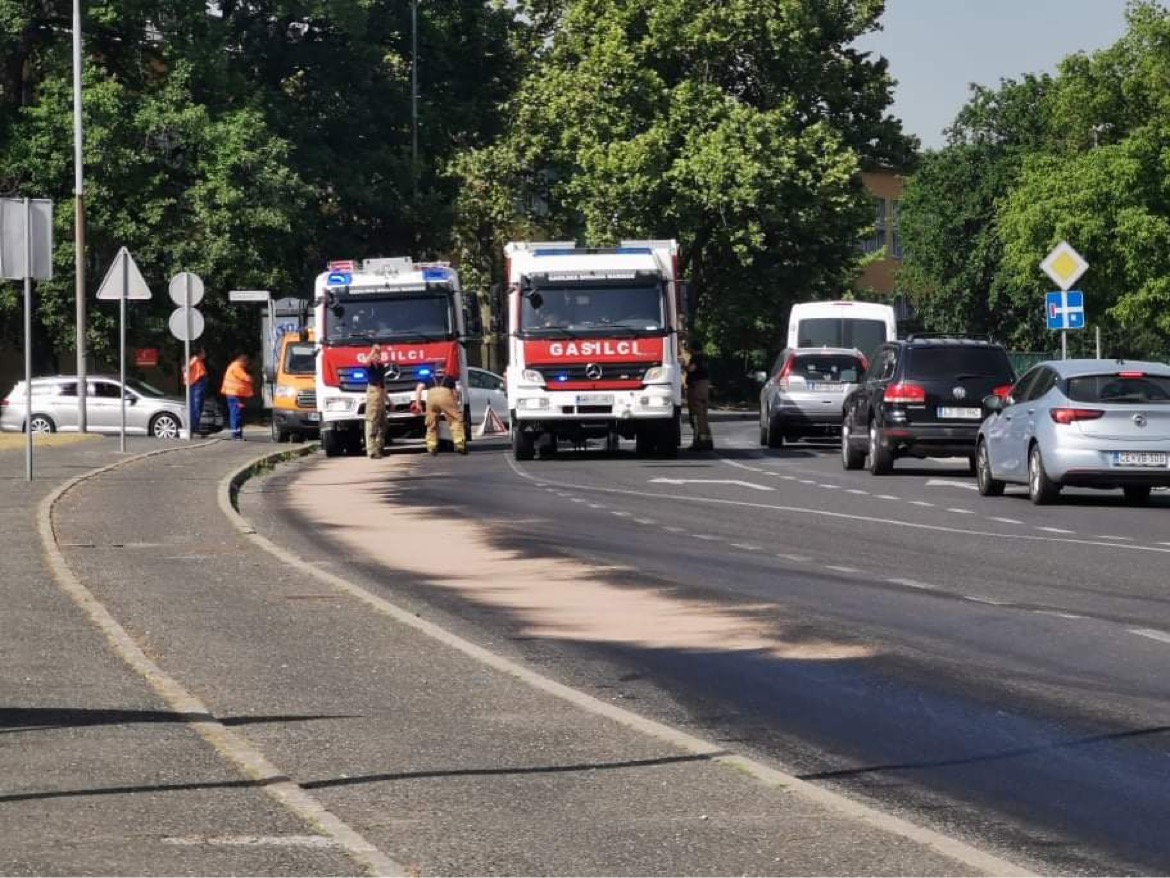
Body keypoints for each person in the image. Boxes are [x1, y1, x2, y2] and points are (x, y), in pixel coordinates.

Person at [411, 368, 466, 455]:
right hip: (446, 396)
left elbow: (419, 388)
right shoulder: (449, 378)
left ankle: (432, 446)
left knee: (431, 422)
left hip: (432, 398)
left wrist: (418, 403)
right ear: (444, 370)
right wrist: (455, 404)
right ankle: (460, 444)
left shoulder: (428, 378)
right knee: (455, 420)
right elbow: (455, 393)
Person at [684, 344, 714, 451]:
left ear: (693, 349)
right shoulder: (705, 358)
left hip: (696, 387)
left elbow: (692, 369)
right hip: (704, 387)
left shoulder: (696, 358)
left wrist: (683, 365)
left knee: (696, 416)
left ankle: (700, 442)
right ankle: (707, 441)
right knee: (703, 415)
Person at [220, 353, 255, 440]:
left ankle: (237, 435)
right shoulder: (236, 367)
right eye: (246, 364)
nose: (246, 366)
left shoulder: (234, 366)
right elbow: (246, 378)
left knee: (237, 414)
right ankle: (236, 435)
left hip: (235, 395)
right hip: (234, 395)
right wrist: (250, 377)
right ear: (243, 361)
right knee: (236, 414)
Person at [364, 344, 390, 459]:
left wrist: (390, 401)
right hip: (373, 392)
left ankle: (379, 447)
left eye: (378, 354)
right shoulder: (370, 366)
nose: (377, 356)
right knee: (372, 421)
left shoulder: (380, 367)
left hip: (380, 392)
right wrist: (372, 351)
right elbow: (365, 363)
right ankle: (372, 451)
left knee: (383, 423)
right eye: (375, 354)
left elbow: (383, 386)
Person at [183, 347, 208, 436]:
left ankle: (195, 426)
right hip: (196, 384)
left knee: (198, 407)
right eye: (203, 352)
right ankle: (194, 427)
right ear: (199, 353)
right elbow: (185, 368)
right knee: (195, 407)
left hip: (199, 384)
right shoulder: (195, 359)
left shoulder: (199, 361)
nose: (205, 354)